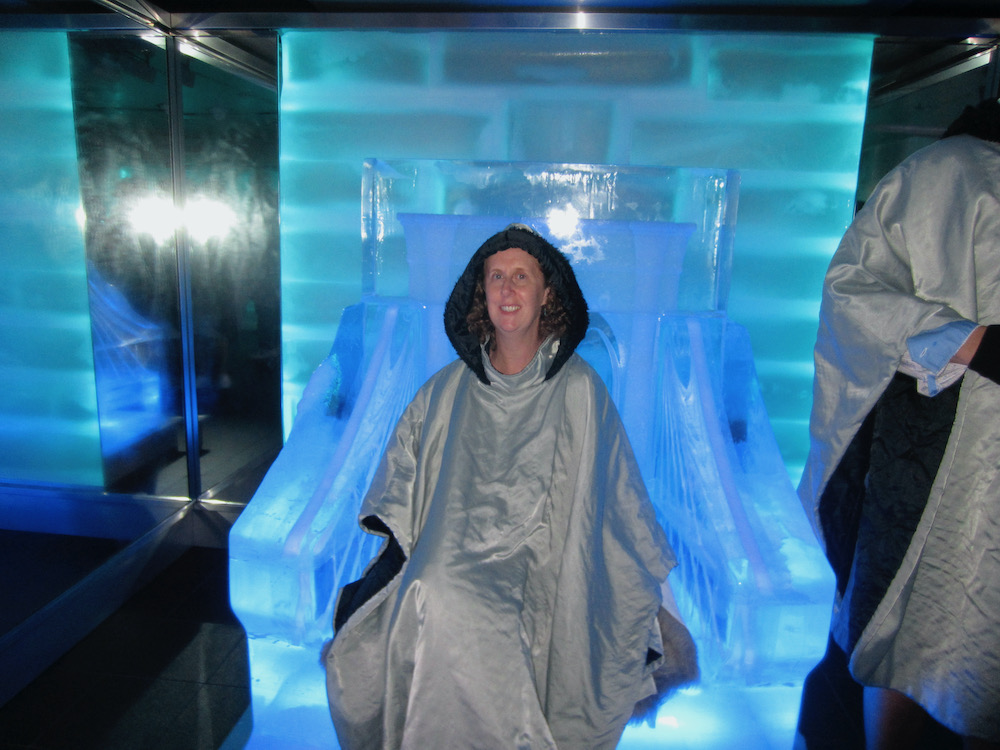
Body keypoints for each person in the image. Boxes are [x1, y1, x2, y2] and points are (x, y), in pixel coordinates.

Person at [323, 223, 697, 749]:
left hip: (550, 562)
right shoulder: (447, 389)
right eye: (496, 276)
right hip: (451, 562)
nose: (506, 288)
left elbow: (615, 500)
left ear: (547, 294)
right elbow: (403, 486)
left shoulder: (581, 391)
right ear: (481, 292)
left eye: (521, 276)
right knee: (432, 594)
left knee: (519, 612)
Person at [795, 99, 1000, 750]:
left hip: (960, 449)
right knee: (907, 631)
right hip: (934, 452)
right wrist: (972, 344)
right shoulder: (949, 171)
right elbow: (855, 295)